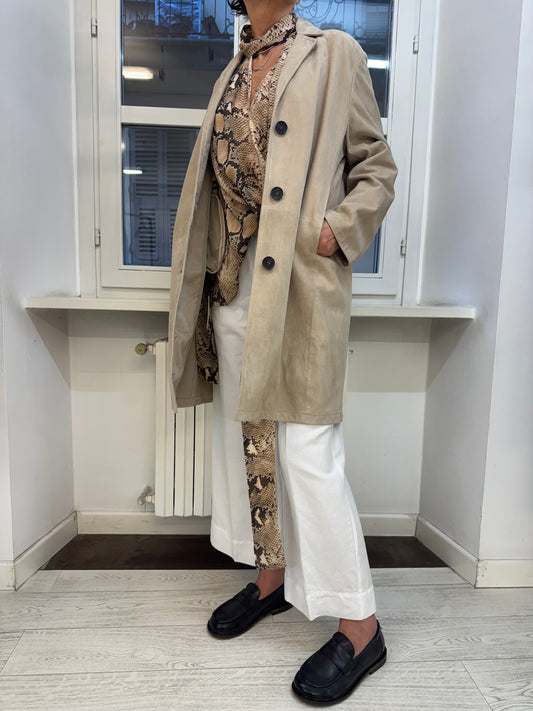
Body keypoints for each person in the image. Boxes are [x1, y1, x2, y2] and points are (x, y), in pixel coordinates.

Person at [168, 0, 398, 703]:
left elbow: (377, 168)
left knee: (307, 454)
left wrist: (335, 231)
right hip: (233, 290)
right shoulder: (233, 69)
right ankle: (270, 578)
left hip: (298, 289)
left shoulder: (335, 53)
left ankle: (360, 625)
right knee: (249, 440)